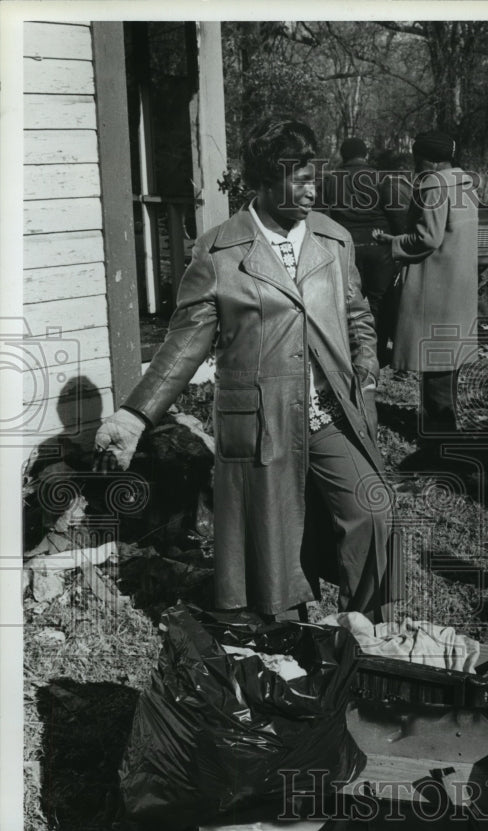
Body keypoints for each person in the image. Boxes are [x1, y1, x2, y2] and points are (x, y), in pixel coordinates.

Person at [94, 118, 395, 622]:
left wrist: (365, 368)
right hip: (263, 421)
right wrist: (134, 416)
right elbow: (184, 343)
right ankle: (286, 639)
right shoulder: (219, 252)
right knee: (272, 544)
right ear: (263, 180)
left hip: (331, 415)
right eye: (297, 177)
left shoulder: (334, 239)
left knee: (373, 512)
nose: (310, 188)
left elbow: (357, 313)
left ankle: (366, 634)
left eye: (312, 175)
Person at [373, 130, 478, 429]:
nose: (415, 165)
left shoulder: (433, 184)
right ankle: (444, 429)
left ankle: (439, 441)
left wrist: (392, 243)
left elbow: (428, 238)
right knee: (448, 366)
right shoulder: (465, 182)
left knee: (436, 366)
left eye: (418, 159)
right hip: (458, 287)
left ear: (430, 160)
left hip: (435, 290)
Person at [322, 138, 409, 362]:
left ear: (342, 155)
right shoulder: (381, 179)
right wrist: (400, 246)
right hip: (379, 248)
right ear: (366, 155)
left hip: (346, 249)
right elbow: (397, 216)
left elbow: (323, 218)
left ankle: (350, 353)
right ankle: (376, 354)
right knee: (379, 304)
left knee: (347, 304)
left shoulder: (330, 180)